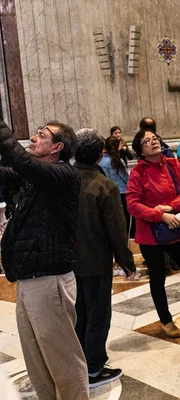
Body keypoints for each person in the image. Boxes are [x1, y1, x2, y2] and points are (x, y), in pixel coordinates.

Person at [0, 120, 89, 399]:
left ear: (57, 147)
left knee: (62, 359)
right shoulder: (33, 177)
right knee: (36, 359)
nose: (34, 137)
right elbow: (10, 168)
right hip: (28, 280)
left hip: (49, 281)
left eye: (42, 134)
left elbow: (23, 162)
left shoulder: (64, 174)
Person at [74, 129, 137, 388]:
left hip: (67, 263)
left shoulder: (62, 180)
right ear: (100, 154)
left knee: (78, 314)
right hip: (96, 260)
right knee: (98, 315)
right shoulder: (104, 186)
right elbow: (116, 230)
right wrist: (127, 261)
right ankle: (94, 368)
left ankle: (78, 364)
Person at [127, 129, 180, 338]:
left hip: (175, 228)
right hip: (150, 235)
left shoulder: (172, 164)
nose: (153, 142)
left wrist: (171, 208)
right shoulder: (138, 173)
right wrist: (159, 216)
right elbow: (133, 204)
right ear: (140, 150)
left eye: (155, 138)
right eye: (147, 141)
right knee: (158, 278)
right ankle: (166, 320)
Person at [100, 137, 133, 243]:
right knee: (126, 220)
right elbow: (125, 178)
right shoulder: (117, 160)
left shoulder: (100, 161)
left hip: (107, 192)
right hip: (122, 192)